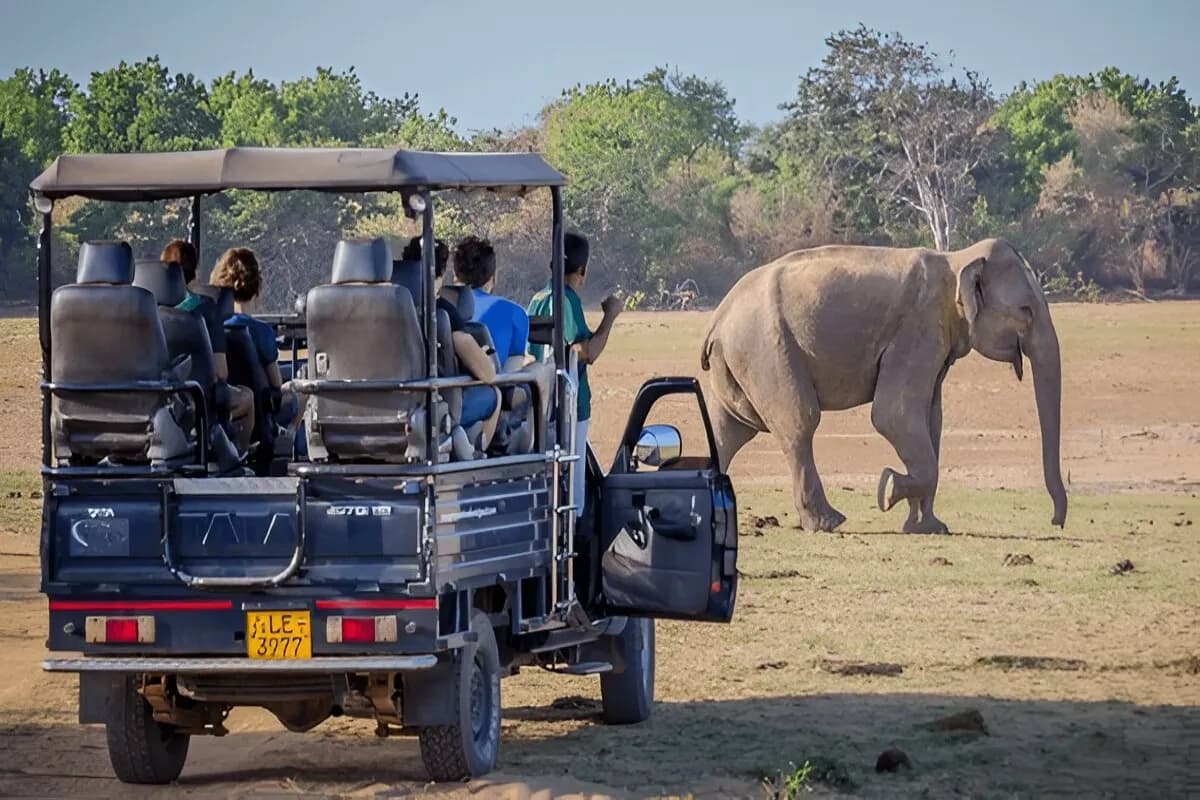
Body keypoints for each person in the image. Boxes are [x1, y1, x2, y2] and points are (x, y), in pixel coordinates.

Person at [527, 232, 621, 516]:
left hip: (540, 403)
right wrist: (610, 316)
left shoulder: (538, 298)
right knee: (573, 489)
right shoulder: (565, 300)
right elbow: (586, 351)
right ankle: (574, 533)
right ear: (582, 269)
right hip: (568, 406)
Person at [404, 236, 500, 459]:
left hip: (379, 410)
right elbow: (488, 373)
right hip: (433, 411)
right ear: (441, 273)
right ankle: (472, 454)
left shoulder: (378, 310)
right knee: (493, 394)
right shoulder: (441, 311)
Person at [208, 247, 300, 451]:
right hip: (262, 417)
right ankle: (286, 439)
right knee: (300, 392)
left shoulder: (211, 328)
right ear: (257, 286)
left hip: (225, 409)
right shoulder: (262, 331)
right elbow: (276, 384)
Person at [453, 236, 530, 372]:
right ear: (493, 277)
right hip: (492, 382)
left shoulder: (436, 310)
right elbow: (511, 372)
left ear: (456, 275)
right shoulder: (515, 314)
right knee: (542, 368)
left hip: (444, 383)